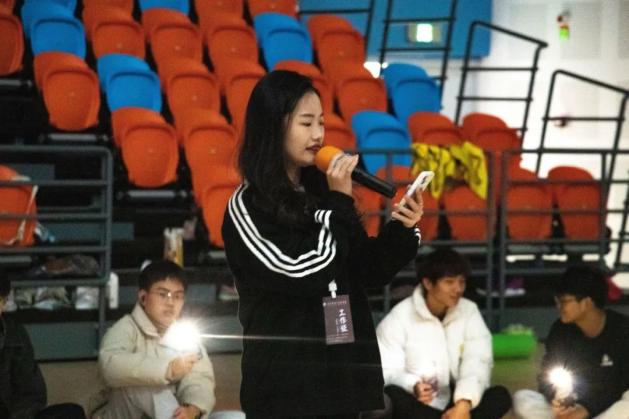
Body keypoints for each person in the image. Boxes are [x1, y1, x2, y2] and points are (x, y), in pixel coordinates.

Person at [221, 70, 424, 418]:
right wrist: (338, 203)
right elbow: (303, 271)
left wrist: (402, 229)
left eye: (321, 123)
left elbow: (367, 270)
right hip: (287, 386)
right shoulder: (248, 206)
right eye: (306, 123)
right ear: (273, 127)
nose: (317, 135)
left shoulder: (323, 194)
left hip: (342, 376)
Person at [90, 260, 244, 419]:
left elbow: (199, 377)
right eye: (163, 294)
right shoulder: (126, 328)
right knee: (145, 383)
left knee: (236, 417)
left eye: (177, 296)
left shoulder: (183, 332)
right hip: (123, 412)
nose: (170, 303)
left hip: (172, 413)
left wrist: (193, 408)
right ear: (143, 297)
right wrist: (167, 369)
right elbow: (110, 366)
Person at [376, 249, 512, 419]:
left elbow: (477, 361)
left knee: (500, 395)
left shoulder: (469, 311)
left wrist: (464, 403)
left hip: (456, 400)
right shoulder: (399, 317)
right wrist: (412, 385)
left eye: (461, 282)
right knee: (393, 396)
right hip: (421, 401)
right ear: (428, 283)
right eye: (449, 282)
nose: (458, 289)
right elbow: (387, 370)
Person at [513, 265, 629, 419]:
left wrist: (587, 408)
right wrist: (557, 400)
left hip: (609, 404)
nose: (559, 307)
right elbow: (547, 373)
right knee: (522, 398)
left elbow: (619, 385)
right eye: (557, 301)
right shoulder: (560, 330)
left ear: (587, 302)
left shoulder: (622, 330)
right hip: (573, 401)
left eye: (564, 301)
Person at [0, 269, 86, 419]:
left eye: (1, 301)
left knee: (72, 412)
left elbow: (32, 395)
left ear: (4, 302)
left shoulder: (14, 334)